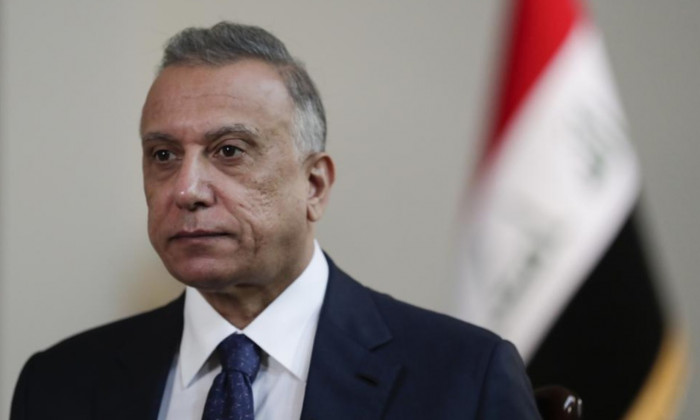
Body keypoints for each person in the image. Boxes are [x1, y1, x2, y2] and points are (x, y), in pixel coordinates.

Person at [10, 22, 540, 419]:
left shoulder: (463, 378)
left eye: (230, 150)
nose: (187, 190)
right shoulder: (58, 384)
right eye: (164, 155)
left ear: (315, 185)